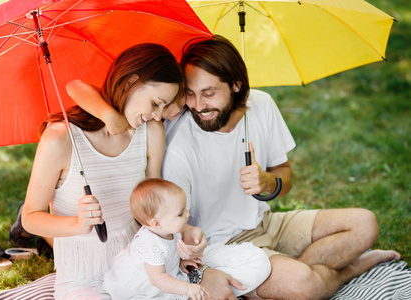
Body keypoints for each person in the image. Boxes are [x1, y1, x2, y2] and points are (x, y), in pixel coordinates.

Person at [66, 36, 400, 299]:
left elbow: (285, 173)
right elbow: (84, 88)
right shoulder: (174, 129)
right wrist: (199, 271)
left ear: (236, 86)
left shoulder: (262, 106)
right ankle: (344, 271)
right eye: (191, 95)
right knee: (306, 286)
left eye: (209, 93)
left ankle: (284, 278)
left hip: (266, 222)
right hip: (222, 245)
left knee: (365, 224)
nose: (198, 106)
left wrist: (269, 182)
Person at [20, 43, 196, 299]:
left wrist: (181, 238)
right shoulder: (60, 139)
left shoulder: (151, 132)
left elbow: (156, 207)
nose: (158, 116)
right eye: (156, 103)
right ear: (132, 82)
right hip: (84, 278)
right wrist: (78, 224)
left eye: (164, 106)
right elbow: (31, 217)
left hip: (139, 269)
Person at [103, 178, 270, 299]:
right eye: (181, 213)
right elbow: (158, 278)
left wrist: (180, 261)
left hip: (165, 277)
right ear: (156, 222)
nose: (188, 214)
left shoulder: (170, 229)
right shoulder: (149, 244)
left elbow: (168, 256)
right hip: (142, 288)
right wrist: (187, 289)